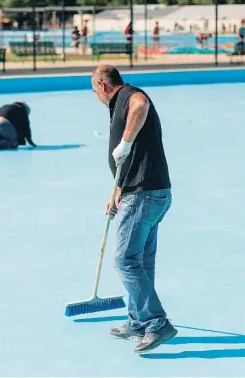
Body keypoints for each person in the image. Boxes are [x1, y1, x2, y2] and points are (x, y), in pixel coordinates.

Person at [90, 64, 176, 354]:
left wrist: (124, 142)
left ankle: (155, 322)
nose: (96, 96)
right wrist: (116, 191)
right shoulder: (119, 105)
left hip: (143, 195)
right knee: (140, 261)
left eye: (94, 90)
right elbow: (132, 159)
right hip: (150, 192)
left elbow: (142, 103)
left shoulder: (129, 96)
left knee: (125, 260)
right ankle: (138, 320)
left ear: (103, 85)